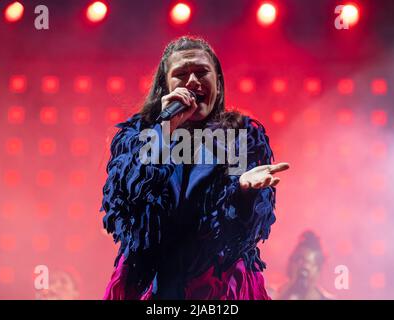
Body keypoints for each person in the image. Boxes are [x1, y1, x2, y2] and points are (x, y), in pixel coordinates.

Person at [100, 36, 289, 300]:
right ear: (164, 87)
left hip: (220, 283)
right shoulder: (139, 135)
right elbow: (127, 205)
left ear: (218, 83)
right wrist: (165, 129)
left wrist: (244, 193)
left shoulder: (241, 136)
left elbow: (248, 231)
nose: (192, 81)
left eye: (201, 72)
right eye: (181, 74)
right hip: (152, 280)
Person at [276, 230, 334, 300]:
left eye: (311, 263)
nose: (305, 266)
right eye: (299, 260)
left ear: (318, 270)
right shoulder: (270, 294)